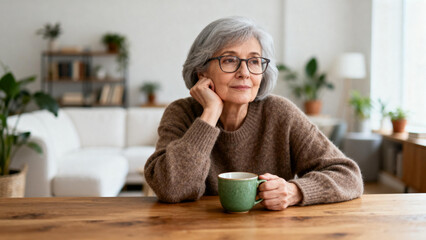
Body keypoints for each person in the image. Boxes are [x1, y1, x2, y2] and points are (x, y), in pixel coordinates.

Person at [144, 16, 363, 210]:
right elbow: (172, 189)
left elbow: (348, 176)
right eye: (229, 60)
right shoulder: (181, 113)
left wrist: (295, 191)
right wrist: (209, 114)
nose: (244, 73)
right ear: (201, 71)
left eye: (254, 61)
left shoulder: (279, 112)